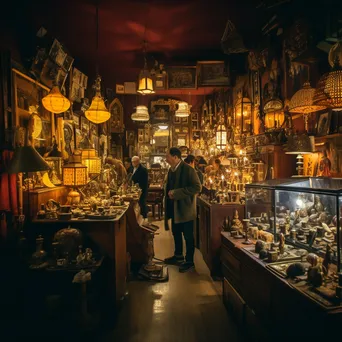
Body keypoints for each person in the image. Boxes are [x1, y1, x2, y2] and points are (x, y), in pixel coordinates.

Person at [164, 147, 202, 273]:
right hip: (174, 209)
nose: (166, 159)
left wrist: (177, 193)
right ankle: (178, 256)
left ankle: (190, 261)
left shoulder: (188, 170)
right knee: (176, 233)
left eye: (167, 156)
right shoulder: (171, 169)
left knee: (188, 236)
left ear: (175, 157)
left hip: (185, 209)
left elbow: (197, 187)